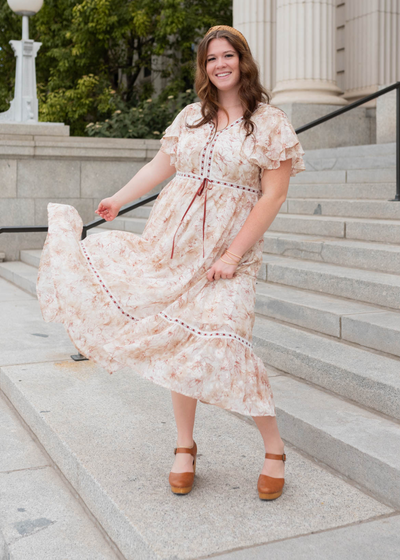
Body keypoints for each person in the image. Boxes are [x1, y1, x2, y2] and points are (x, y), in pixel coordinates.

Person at [37, 25, 305, 500]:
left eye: (227, 55)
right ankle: (185, 446)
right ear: (203, 68)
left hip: (229, 257)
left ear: (242, 60)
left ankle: (274, 448)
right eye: (210, 58)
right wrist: (118, 200)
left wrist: (233, 254)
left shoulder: (270, 123)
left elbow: (273, 196)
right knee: (179, 347)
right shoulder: (191, 118)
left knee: (227, 344)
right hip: (173, 249)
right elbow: (159, 168)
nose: (219, 64)